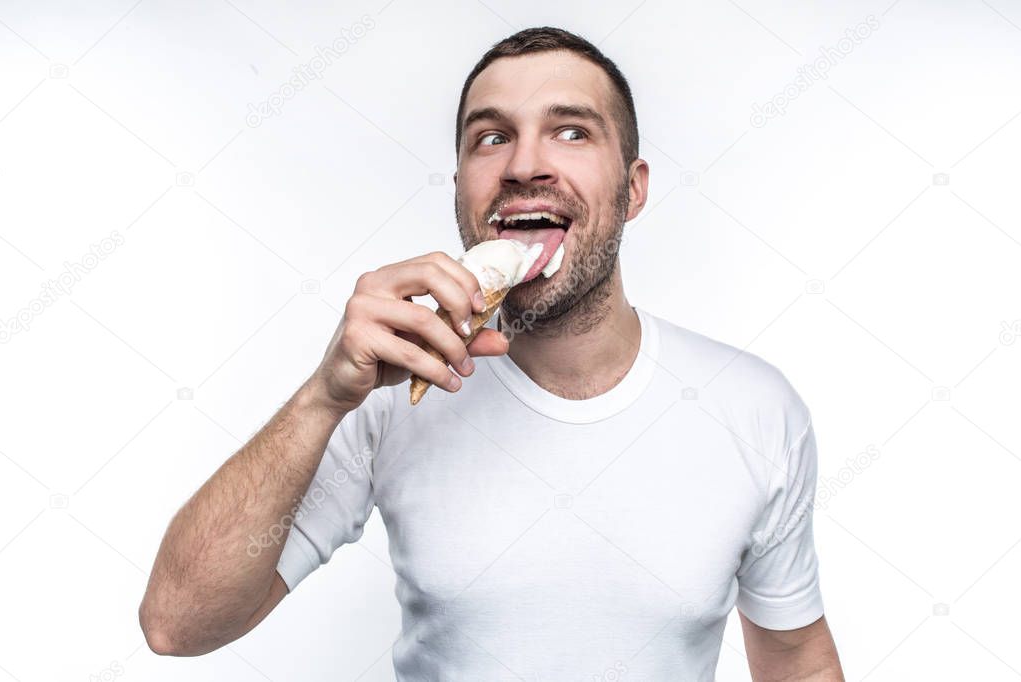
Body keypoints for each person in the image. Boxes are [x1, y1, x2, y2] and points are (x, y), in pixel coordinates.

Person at [139, 26, 844, 680]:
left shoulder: (752, 409)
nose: (524, 164)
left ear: (631, 190)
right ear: (461, 193)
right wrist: (323, 398)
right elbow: (177, 624)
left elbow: (794, 659)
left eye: (570, 131)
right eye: (489, 138)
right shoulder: (389, 392)